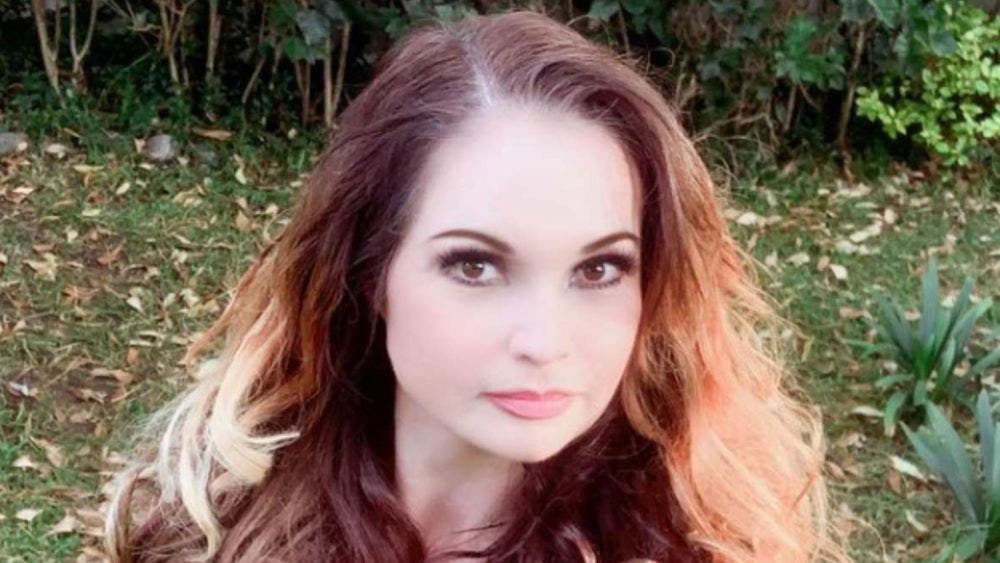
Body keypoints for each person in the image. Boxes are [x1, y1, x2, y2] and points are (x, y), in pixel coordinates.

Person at [103, 9, 852, 563]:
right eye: (475, 265)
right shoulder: (215, 523)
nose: (544, 343)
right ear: (370, 272)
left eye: (599, 269)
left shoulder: (702, 542)